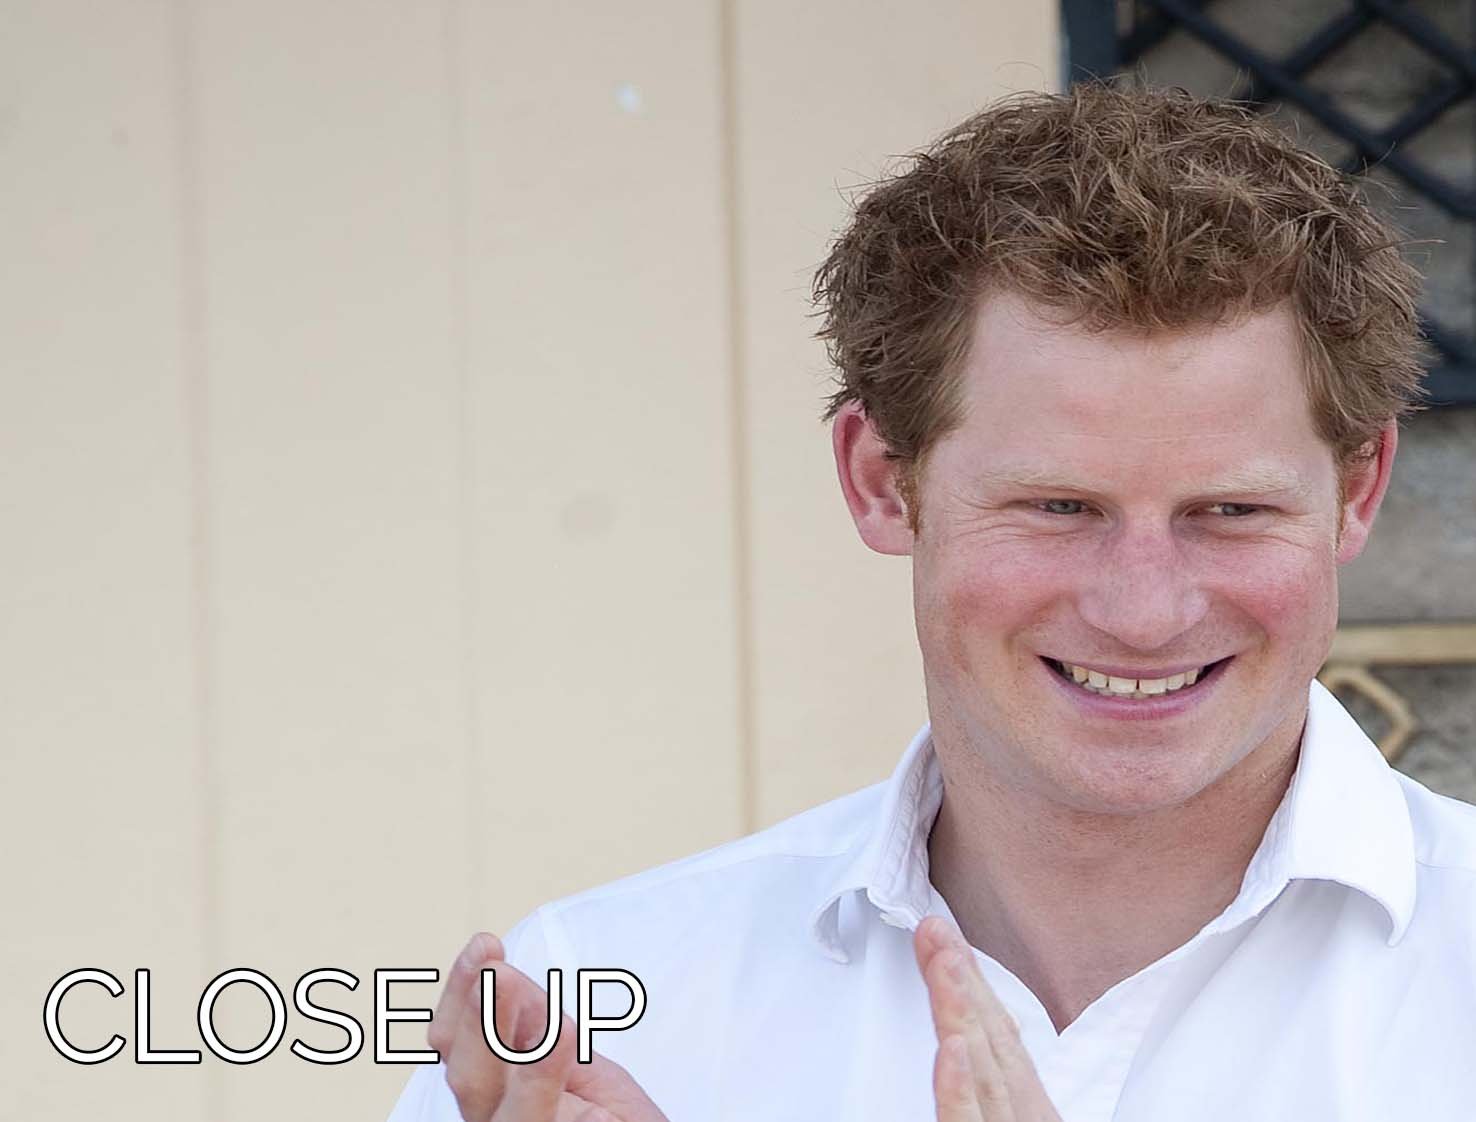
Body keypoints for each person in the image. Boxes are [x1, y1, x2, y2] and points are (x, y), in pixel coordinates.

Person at [388, 84, 1476, 1122]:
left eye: (1231, 511)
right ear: (880, 480)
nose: (1145, 611)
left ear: (1357, 491)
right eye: (1058, 505)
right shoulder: (588, 1008)